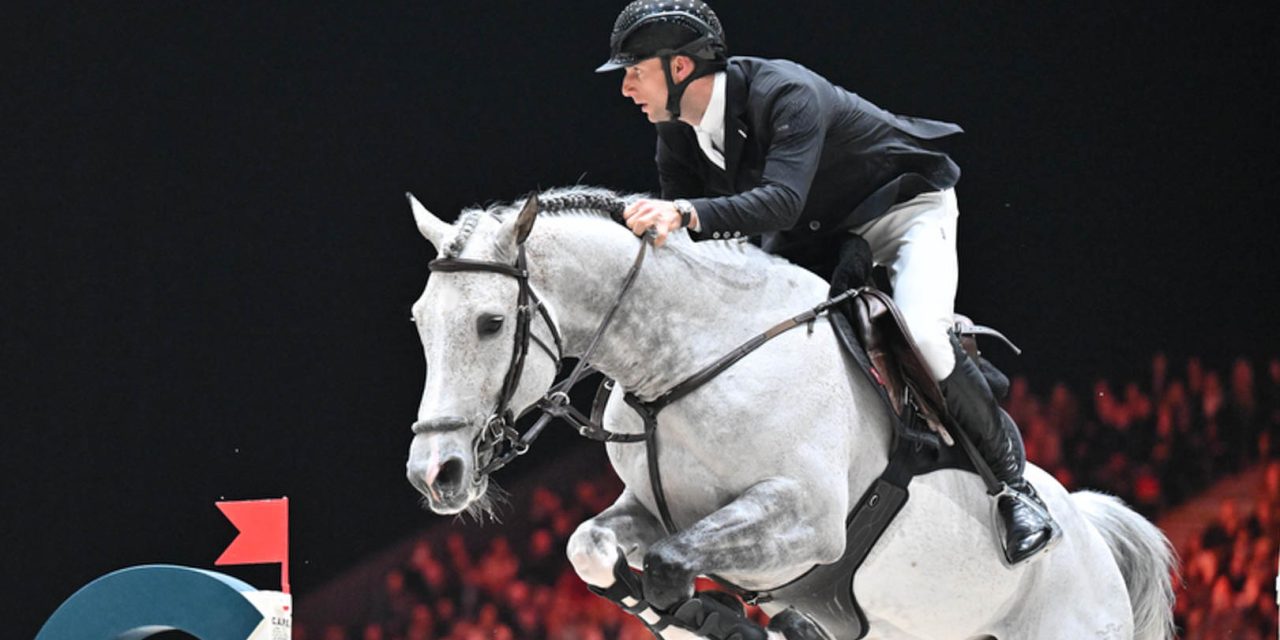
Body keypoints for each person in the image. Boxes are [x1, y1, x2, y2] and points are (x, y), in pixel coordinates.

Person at [597, 0, 1058, 566]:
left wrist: (687, 214)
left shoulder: (785, 93)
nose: (625, 88)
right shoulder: (679, 134)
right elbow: (694, 241)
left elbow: (780, 203)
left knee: (923, 332)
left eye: (633, 71)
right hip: (820, 235)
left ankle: (1014, 490)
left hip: (902, 215)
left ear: (680, 68)